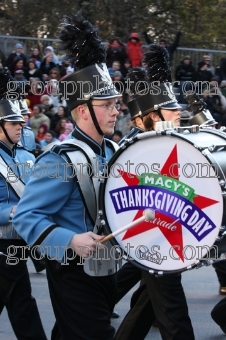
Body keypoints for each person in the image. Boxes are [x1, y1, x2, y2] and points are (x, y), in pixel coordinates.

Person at [13, 11, 121, 340]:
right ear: (83, 110)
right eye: (107, 104)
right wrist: (71, 240)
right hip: (73, 271)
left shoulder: (113, 151)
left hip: (108, 268)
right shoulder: (58, 159)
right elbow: (27, 218)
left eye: (116, 102)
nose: (117, 109)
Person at [114, 44, 195, 340]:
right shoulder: (137, 150)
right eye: (171, 108)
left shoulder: (174, 144)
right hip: (151, 239)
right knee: (174, 314)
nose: (178, 113)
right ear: (151, 115)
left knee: (148, 303)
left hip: (165, 237)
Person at [0, 67, 47, 339]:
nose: (21, 126)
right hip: (3, 243)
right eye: (14, 122)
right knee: (22, 304)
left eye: (21, 122)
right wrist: (12, 211)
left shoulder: (27, 156)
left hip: (23, 240)